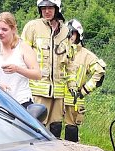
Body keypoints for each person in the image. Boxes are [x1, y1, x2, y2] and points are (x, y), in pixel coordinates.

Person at [22, 0, 72, 137]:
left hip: (59, 91)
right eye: (43, 8)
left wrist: (71, 86)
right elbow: (22, 53)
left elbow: (69, 62)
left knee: (56, 127)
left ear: (57, 9)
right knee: (37, 126)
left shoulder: (66, 31)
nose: (47, 11)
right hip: (38, 89)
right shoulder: (32, 27)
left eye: (50, 7)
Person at [62, 19, 105, 142]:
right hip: (57, 97)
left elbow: (100, 71)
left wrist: (84, 90)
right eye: (67, 33)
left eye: (73, 33)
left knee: (71, 133)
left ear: (79, 35)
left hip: (73, 101)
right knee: (52, 129)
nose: (70, 36)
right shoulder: (60, 50)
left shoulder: (86, 55)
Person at [0, 12, 41, 108]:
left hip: (22, 102)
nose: (0, 33)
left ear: (13, 29)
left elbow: (37, 74)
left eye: (4, 30)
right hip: (1, 102)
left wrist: (17, 69)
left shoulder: (23, 47)